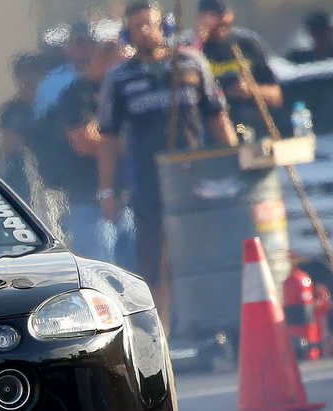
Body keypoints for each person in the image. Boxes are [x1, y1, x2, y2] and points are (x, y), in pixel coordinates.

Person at [98, 1, 237, 292]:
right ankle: (160, 314)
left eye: (149, 24)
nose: (144, 31)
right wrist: (107, 191)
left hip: (194, 177)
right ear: (128, 33)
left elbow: (216, 116)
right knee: (153, 261)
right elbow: (108, 138)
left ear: (164, 26)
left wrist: (234, 161)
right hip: (148, 183)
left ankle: (201, 309)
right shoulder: (119, 78)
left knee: (201, 251)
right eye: (137, 27)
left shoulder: (191, 62)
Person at [51, 39, 127, 263]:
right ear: (103, 62)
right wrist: (130, 145)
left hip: (128, 199)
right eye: (121, 66)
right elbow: (85, 141)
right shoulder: (77, 94)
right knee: (100, 272)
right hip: (89, 202)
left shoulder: (122, 93)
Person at [195, 0, 283, 141]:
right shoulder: (194, 50)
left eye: (224, 20)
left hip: (252, 130)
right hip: (213, 135)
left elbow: (277, 95)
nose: (220, 25)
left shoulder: (246, 44)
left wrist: (251, 90)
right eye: (214, 17)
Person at [0, 52, 46, 202]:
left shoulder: (53, 106)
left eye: (33, 71)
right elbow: (9, 145)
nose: (29, 77)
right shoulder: (11, 110)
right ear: (17, 76)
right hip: (22, 178)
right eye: (23, 72)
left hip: (52, 175)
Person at [34, 22, 97, 120]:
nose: (85, 47)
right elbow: (43, 115)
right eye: (78, 42)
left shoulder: (105, 74)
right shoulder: (53, 81)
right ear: (67, 47)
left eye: (89, 42)